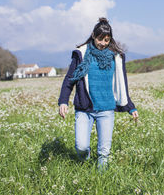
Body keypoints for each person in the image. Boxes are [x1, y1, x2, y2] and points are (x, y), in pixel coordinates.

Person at [58, 17, 138, 171]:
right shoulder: (81, 54)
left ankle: (101, 180)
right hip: (84, 109)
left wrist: (130, 107)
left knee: (104, 152)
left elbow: (122, 85)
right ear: (93, 36)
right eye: (100, 39)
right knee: (81, 146)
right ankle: (84, 164)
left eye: (107, 40)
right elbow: (70, 79)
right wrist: (63, 101)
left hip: (106, 109)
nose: (103, 43)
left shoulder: (116, 57)